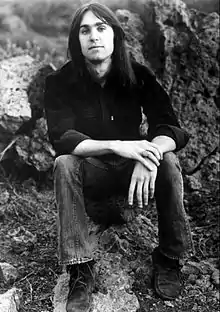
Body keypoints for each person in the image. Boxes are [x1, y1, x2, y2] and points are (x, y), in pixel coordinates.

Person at [44, 2, 194, 311]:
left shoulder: (137, 74)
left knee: (168, 161)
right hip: (92, 172)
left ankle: (169, 256)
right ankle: (79, 268)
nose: (94, 37)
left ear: (114, 35)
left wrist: (146, 156)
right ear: (77, 40)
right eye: (85, 30)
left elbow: (170, 127)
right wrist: (116, 145)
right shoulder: (59, 81)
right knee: (64, 164)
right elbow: (62, 139)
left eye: (101, 28)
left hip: (132, 175)